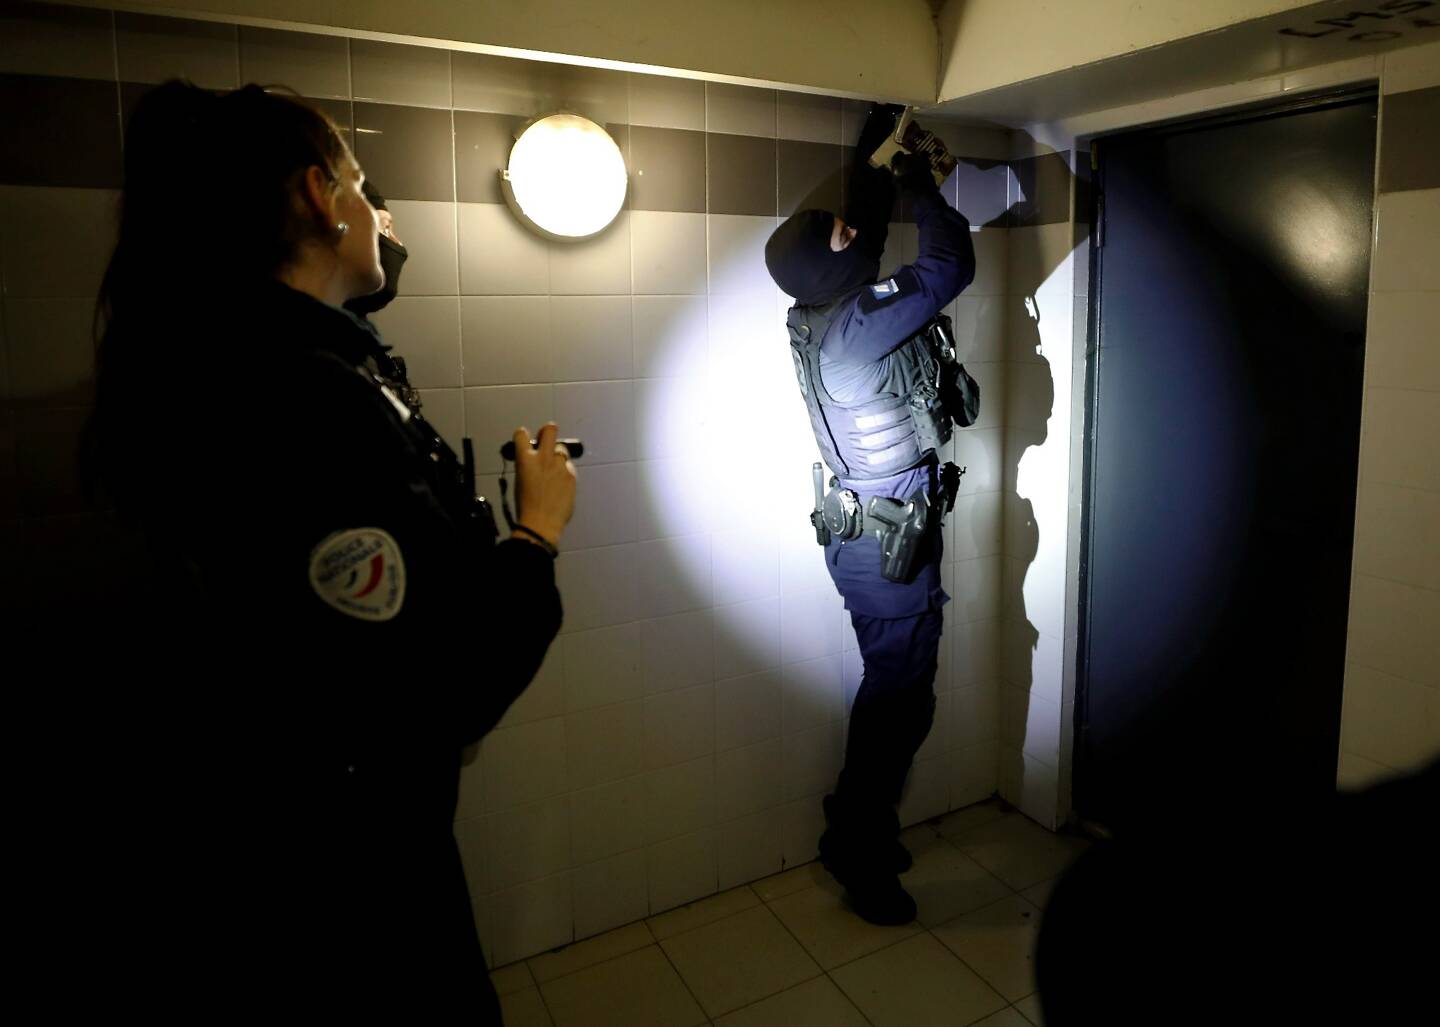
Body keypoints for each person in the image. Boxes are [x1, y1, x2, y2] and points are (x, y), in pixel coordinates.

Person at [82, 80, 575, 1018]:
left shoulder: (217, 360)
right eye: (358, 183)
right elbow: (447, 683)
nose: (377, 211)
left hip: (274, 842)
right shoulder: (301, 400)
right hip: (352, 876)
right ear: (317, 194)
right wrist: (535, 531)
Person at [764, 105, 977, 925]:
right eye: (838, 233)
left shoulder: (821, 310)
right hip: (889, 545)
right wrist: (920, 183)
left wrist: (873, 155)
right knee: (900, 702)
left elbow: (865, 246)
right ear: (832, 264)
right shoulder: (855, 333)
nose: (850, 231)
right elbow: (947, 264)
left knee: (895, 693)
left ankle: (854, 824)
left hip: (873, 533)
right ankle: (858, 846)